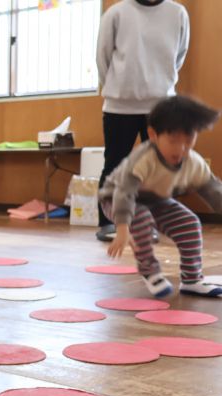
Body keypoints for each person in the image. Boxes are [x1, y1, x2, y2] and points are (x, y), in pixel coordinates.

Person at [103, 95, 222, 298]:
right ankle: (150, 271)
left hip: (156, 201)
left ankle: (192, 280)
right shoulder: (144, 158)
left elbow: (214, 192)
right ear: (153, 135)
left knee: (190, 223)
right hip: (115, 198)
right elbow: (124, 192)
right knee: (141, 217)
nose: (181, 149)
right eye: (173, 140)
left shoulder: (194, 163)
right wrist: (122, 229)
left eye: (188, 141)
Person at [95, 0, 189, 242]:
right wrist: (118, 87)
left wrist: (160, 84)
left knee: (160, 169)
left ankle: (152, 224)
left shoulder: (178, 13)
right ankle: (108, 222)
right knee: (114, 165)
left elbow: (179, 56)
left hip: (161, 106)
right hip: (119, 106)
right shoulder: (116, 13)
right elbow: (102, 58)